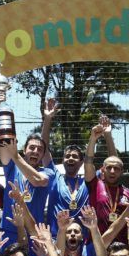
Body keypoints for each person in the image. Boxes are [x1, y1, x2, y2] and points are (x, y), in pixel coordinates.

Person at [0, 131, 57, 255]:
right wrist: (5, 131)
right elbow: (3, 146)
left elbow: (37, 180)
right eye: (32, 147)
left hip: (34, 234)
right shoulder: (11, 167)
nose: (36, 151)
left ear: (42, 155)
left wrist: (16, 156)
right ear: (24, 150)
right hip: (9, 231)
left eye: (40, 149)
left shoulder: (48, 172)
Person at [42, 98, 90, 235]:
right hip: (57, 239)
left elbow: (112, 163)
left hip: (81, 241)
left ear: (81, 162)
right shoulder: (55, 178)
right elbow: (43, 150)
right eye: (67, 156)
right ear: (62, 161)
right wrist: (47, 119)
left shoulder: (87, 182)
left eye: (75, 156)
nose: (70, 158)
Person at [85, 116, 129, 244]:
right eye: (109, 168)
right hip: (96, 245)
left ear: (122, 172)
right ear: (103, 170)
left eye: (116, 169)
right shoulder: (95, 184)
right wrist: (93, 139)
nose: (112, 171)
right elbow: (88, 163)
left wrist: (108, 135)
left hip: (120, 249)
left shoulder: (127, 192)